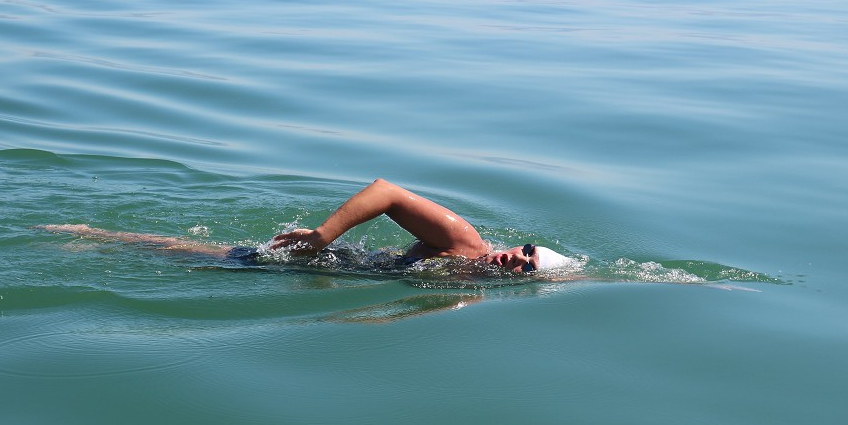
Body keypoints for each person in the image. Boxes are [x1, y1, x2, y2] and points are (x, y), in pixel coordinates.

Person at [41, 178, 574, 273]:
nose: (519, 256)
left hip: (341, 275)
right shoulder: (465, 242)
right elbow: (387, 191)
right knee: (208, 258)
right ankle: (92, 239)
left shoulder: (472, 288)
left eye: (528, 266)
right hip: (327, 260)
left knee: (206, 263)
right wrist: (323, 237)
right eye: (527, 248)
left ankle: (98, 243)